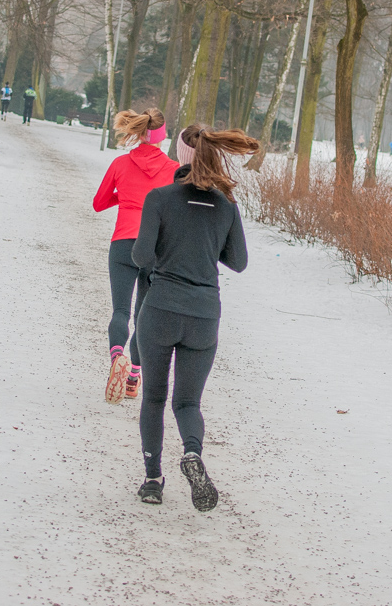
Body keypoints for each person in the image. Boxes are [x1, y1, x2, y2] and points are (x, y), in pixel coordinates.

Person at [130, 124, 259, 511]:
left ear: (180, 158)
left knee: (153, 397)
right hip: (204, 315)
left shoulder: (160, 198)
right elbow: (238, 262)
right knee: (187, 403)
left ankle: (153, 480)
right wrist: (206, 247)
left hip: (162, 309)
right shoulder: (226, 205)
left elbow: (140, 257)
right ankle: (192, 453)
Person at [92, 108, 177, 404]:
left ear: (138, 132)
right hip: (155, 249)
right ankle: (133, 377)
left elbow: (99, 203)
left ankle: (117, 355)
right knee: (144, 317)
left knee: (120, 312)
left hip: (122, 243)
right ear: (162, 136)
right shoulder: (174, 170)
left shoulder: (120, 163)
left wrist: (125, 197)